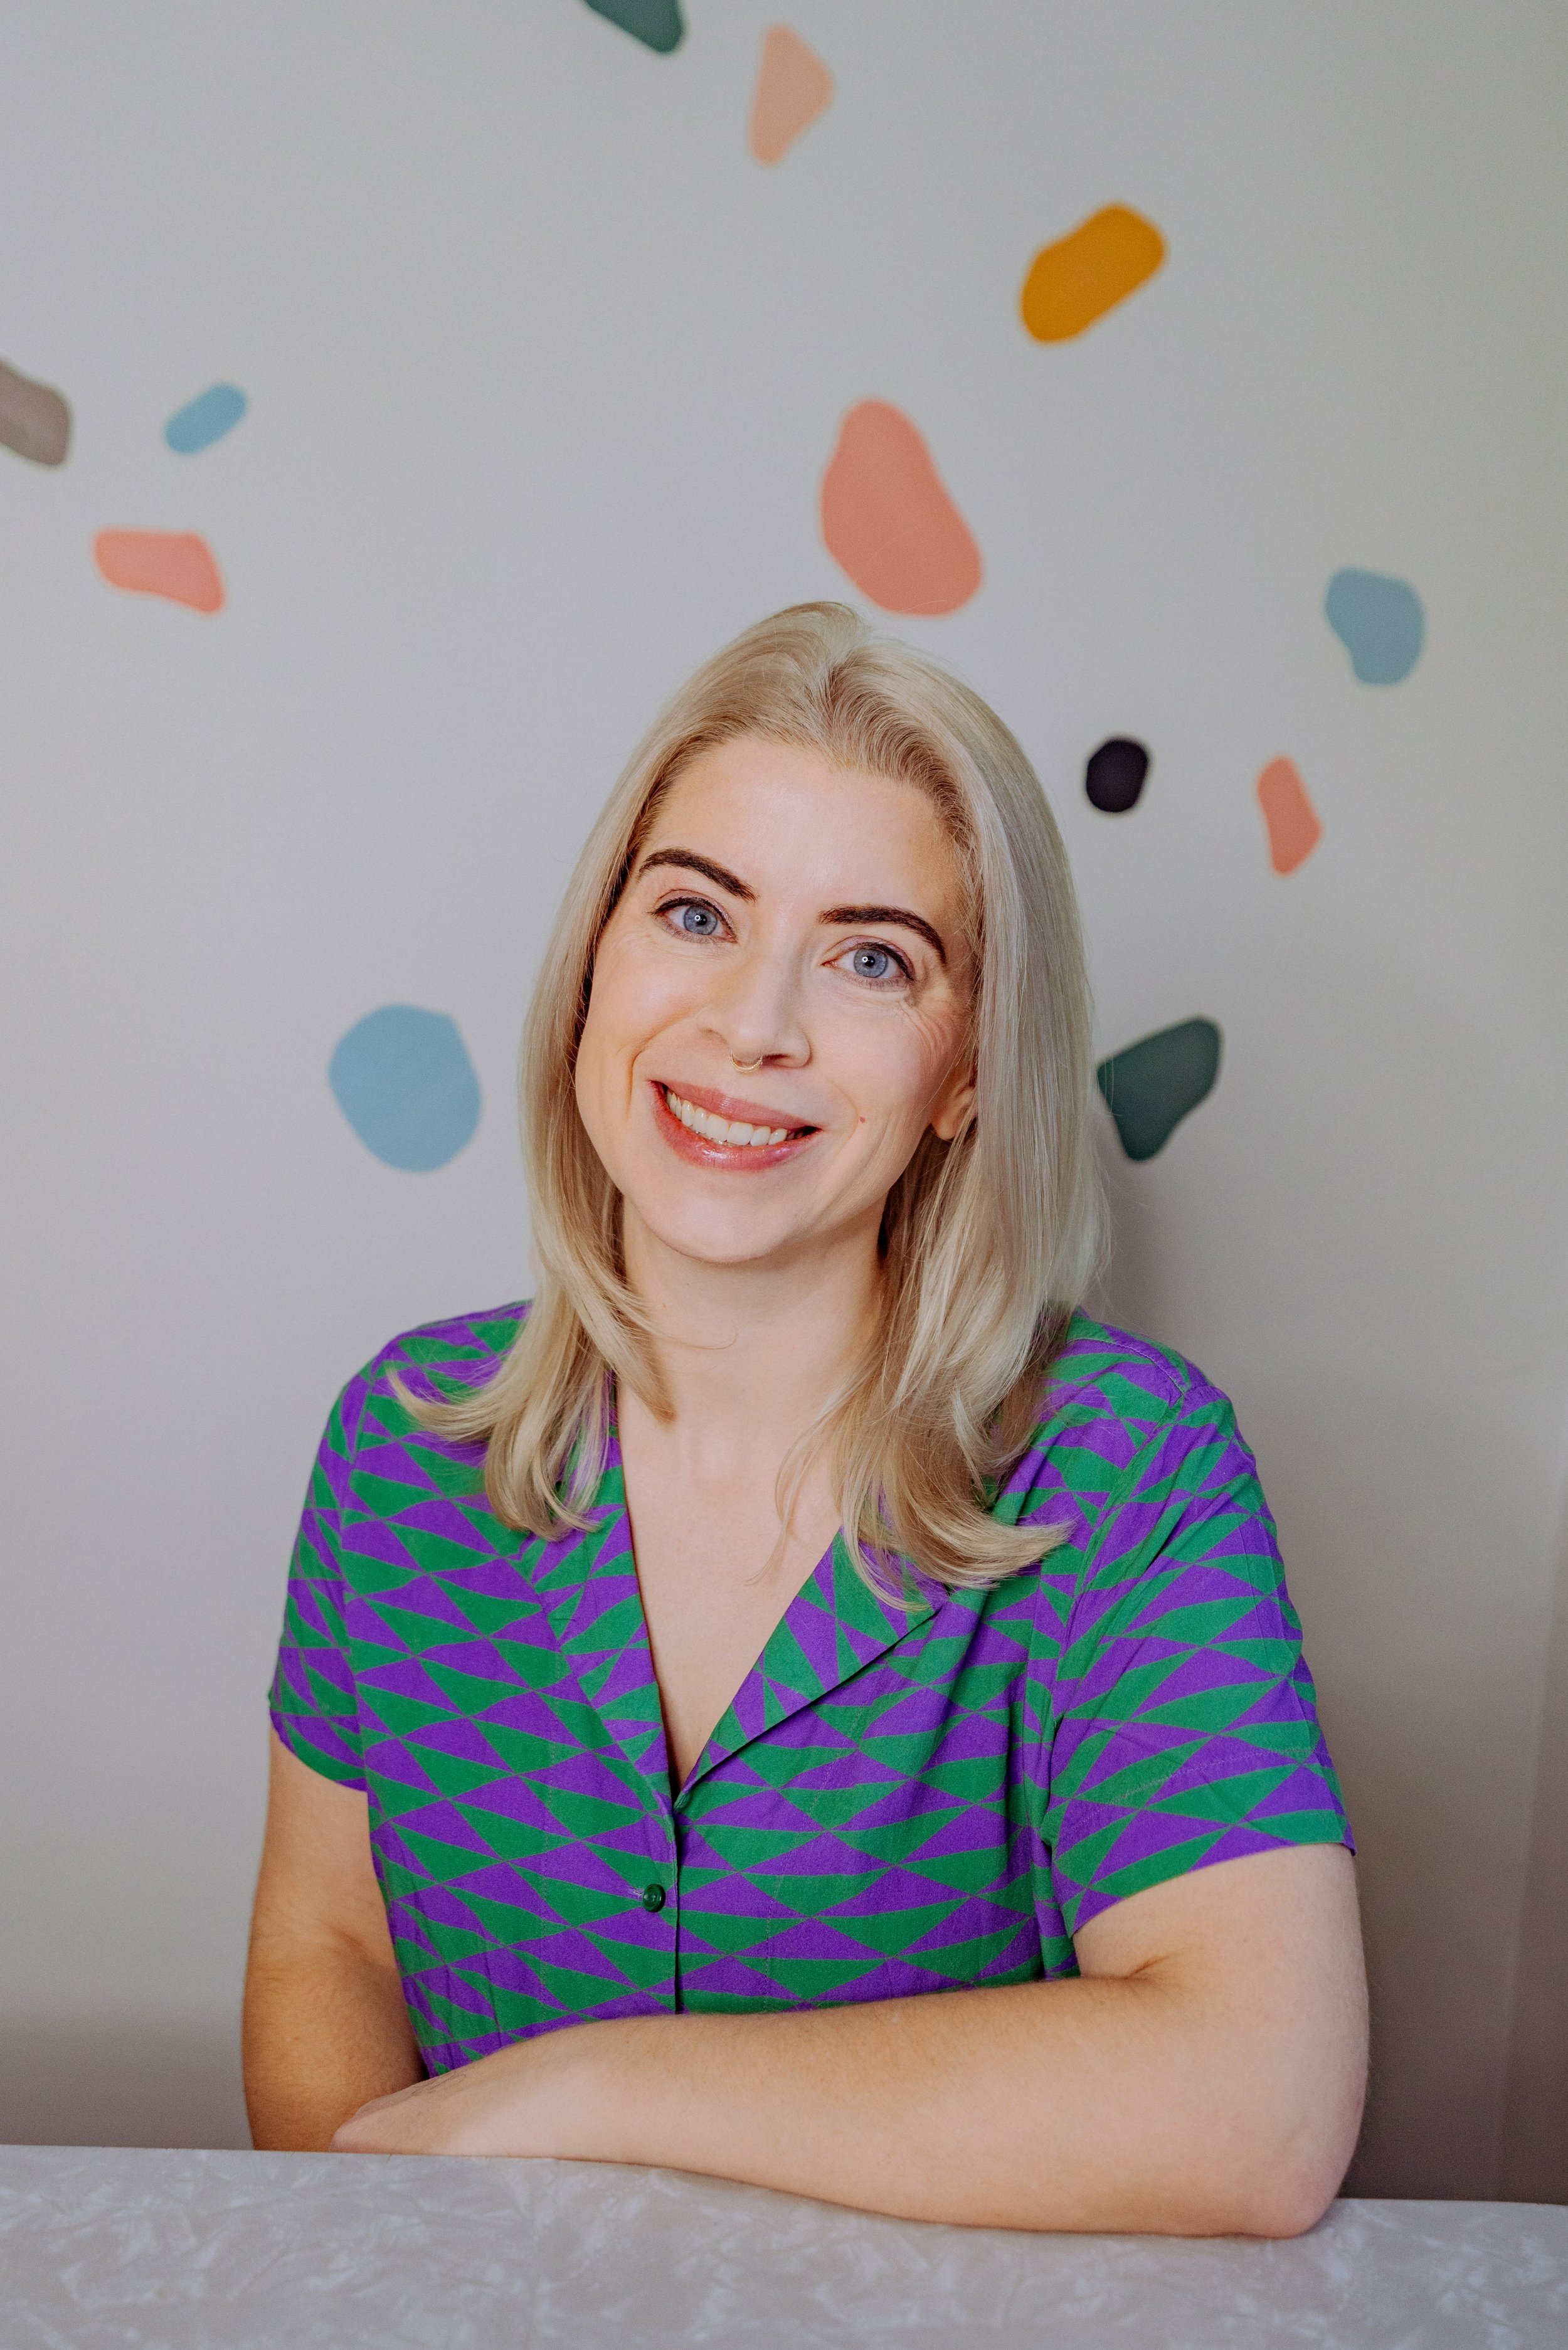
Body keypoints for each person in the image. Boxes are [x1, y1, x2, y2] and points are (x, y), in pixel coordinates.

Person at [245, 603, 1366, 2234]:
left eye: (870, 957)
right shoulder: (401, 1446)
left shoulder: (1131, 1469)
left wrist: (590, 2089)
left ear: (966, 1070)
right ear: (594, 966)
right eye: (695, 912)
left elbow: (1258, 2100)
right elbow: (330, 1947)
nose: (752, 1024)